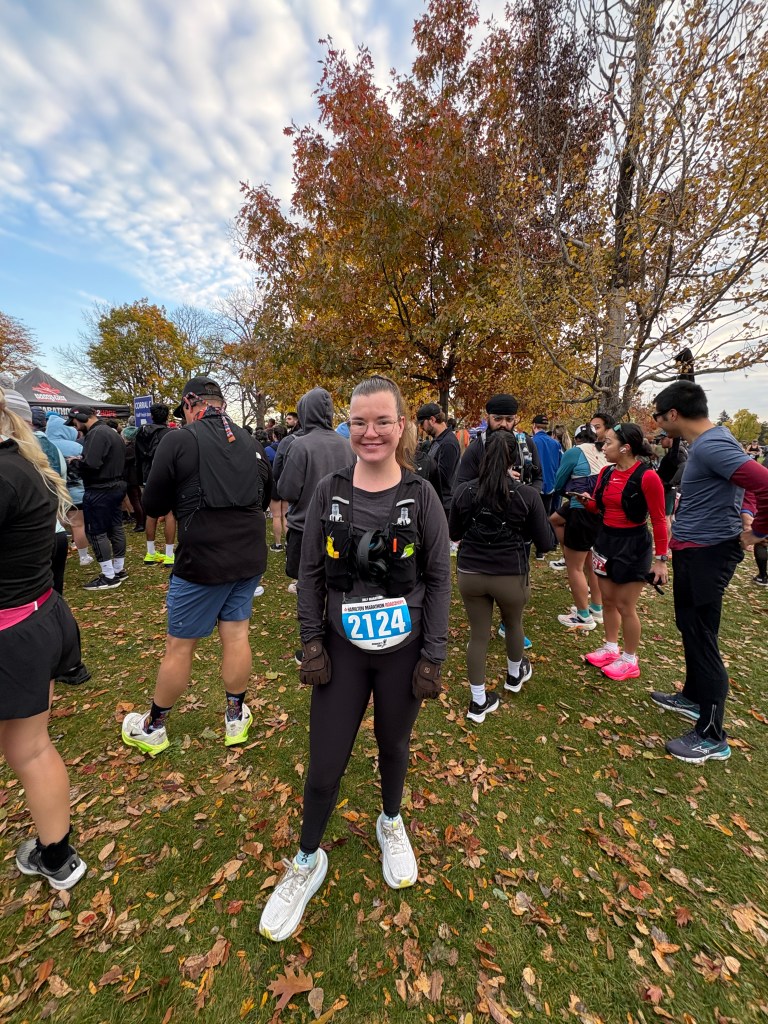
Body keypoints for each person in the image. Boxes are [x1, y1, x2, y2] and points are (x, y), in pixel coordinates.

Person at [258, 376, 450, 942]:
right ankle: (306, 859)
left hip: (403, 652)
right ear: (347, 424)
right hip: (341, 654)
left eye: (382, 421)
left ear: (401, 426)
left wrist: (434, 656)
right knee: (325, 765)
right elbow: (312, 571)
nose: (371, 432)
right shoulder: (330, 490)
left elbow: (439, 578)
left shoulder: (421, 495)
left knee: (393, 745)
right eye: (360, 421)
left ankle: (391, 820)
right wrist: (311, 641)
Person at [121, 376, 272, 756]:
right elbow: (266, 496)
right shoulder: (252, 441)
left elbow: (153, 503)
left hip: (202, 559)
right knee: (236, 635)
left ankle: (154, 726)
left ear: (191, 404)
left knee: (179, 645)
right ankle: (235, 717)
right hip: (248, 554)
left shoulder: (179, 439)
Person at [648, 381, 768, 762]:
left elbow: (764, 483)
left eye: (657, 415)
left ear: (673, 414)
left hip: (707, 552)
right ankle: (693, 697)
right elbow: (746, 485)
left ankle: (713, 733)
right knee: (691, 625)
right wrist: (746, 512)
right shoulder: (713, 442)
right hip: (694, 549)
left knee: (701, 634)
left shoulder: (713, 444)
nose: (656, 423)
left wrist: (758, 531)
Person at [0, 386, 88, 889]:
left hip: (19, 628)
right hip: (37, 614)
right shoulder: (23, 462)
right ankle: (56, 853)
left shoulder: (9, 470)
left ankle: (57, 855)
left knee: (30, 747)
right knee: (27, 744)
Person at [450, 430, 555, 723]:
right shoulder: (527, 495)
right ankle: (513, 674)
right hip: (510, 572)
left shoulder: (464, 491)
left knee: (478, 635)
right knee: (513, 624)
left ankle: (478, 701)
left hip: (471, 572)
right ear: (515, 458)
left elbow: (454, 533)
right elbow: (545, 542)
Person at [579, 423, 668, 680]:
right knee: (607, 600)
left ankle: (630, 659)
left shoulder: (647, 477)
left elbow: (659, 519)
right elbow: (599, 507)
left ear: (625, 448)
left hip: (634, 544)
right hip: (606, 540)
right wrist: (588, 502)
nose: (603, 447)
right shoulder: (606, 473)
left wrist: (661, 559)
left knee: (625, 605)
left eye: (608, 443)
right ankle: (610, 647)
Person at [277, 388, 355, 595]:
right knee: (335, 587)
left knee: (308, 589)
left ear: (304, 413)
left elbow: (287, 490)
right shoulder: (348, 446)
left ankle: (313, 626)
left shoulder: (300, 446)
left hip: (304, 530)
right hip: (340, 529)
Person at [66, 406, 127, 591]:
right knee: (115, 527)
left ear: (83, 418)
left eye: (75, 422)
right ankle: (118, 569)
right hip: (115, 486)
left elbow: (91, 464)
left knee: (96, 531)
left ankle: (109, 576)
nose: (75, 427)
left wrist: (75, 462)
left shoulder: (96, 434)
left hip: (100, 489)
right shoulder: (110, 431)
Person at [552, 424, 607, 629]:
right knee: (555, 519)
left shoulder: (575, 452)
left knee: (575, 567)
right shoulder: (604, 450)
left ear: (576, 439)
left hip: (581, 508)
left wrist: (564, 490)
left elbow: (559, 482)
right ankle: (597, 607)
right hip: (600, 511)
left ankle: (583, 616)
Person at [458, 395, 543, 491]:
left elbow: (538, 478)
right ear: (487, 418)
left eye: (509, 419)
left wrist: (529, 496)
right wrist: (500, 478)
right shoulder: (476, 448)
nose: (503, 424)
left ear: (515, 419)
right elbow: (461, 487)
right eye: (498, 419)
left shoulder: (526, 443)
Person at [135, 404, 176, 566]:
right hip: (166, 476)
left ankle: (150, 553)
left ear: (151, 416)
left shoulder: (141, 432)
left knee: (150, 513)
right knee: (170, 513)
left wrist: (140, 477)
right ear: (167, 416)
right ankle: (168, 554)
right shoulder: (170, 434)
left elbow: (138, 458)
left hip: (147, 476)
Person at [415, 402, 461, 518]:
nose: (421, 428)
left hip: (443, 506)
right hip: (437, 502)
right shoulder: (439, 440)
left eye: (422, 423)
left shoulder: (448, 443)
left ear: (432, 420)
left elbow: (443, 479)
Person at [656, 431, 687, 538]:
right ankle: (667, 544)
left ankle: (666, 547)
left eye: (663, 438)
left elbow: (684, 467)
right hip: (667, 488)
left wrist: (671, 483)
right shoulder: (674, 451)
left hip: (669, 490)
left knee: (665, 518)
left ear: (670, 438)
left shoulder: (678, 452)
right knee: (667, 517)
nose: (660, 441)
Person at [266, 425, 288, 550]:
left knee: (276, 516)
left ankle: (278, 544)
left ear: (274, 435)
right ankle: (287, 543)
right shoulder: (291, 447)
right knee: (285, 515)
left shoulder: (268, 450)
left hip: (274, 484)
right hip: (286, 483)